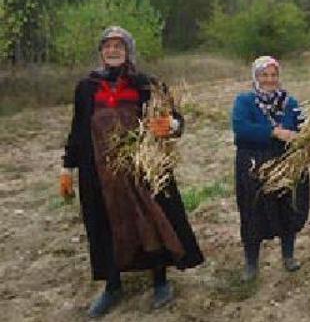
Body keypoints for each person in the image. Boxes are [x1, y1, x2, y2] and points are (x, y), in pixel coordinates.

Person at [59, 26, 203, 317]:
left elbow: (174, 119)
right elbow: (77, 130)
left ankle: (160, 280)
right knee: (106, 225)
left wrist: (172, 126)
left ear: (128, 51)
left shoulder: (145, 84)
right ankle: (113, 286)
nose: (112, 51)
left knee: (153, 220)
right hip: (99, 173)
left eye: (119, 46)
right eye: (107, 46)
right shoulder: (86, 87)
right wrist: (67, 167)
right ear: (100, 52)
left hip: (142, 168)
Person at [232, 56, 310, 281]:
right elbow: (241, 128)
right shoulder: (244, 101)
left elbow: (301, 128)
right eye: (264, 75)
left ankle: (288, 256)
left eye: (274, 75)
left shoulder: (290, 102)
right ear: (256, 77)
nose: (269, 80)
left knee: (288, 208)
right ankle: (251, 263)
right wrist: (273, 132)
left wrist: (308, 134)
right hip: (254, 163)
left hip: (285, 161)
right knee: (253, 211)